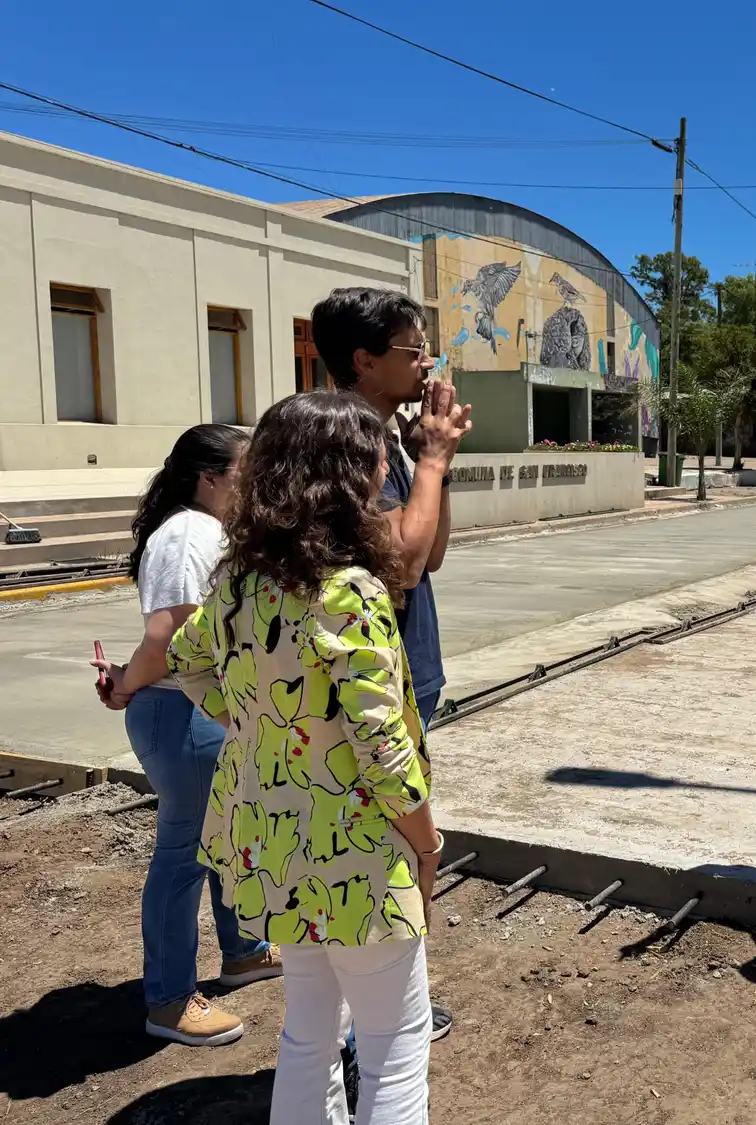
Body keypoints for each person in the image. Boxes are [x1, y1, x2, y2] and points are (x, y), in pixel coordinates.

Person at [168, 391, 443, 1124]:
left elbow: (185, 659)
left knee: (307, 1035)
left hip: (274, 850)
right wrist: (426, 846)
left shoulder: (240, 584)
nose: (384, 470)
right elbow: (383, 751)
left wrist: (256, 719)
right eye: (377, 459)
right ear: (345, 478)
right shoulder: (349, 592)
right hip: (358, 857)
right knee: (394, 1046)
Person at [312, 288, 469, 1064]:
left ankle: (364, 1015)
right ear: (364, 360)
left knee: (382, 846)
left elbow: (429, 551)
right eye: (414, 351)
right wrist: (431, 458)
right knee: (390, 846)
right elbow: (400, 566)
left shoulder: (385, 440)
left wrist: (437, 463)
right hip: (372, 680)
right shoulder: (346, 445)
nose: (427, 365)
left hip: (406, 667)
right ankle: (369, 1027)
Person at [92, 423, 280, 1046]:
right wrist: (125, 685)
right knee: (185, 853)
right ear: (209, 478)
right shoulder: (185, 536)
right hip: (181, 711)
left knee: (225, 835)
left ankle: (243, 952)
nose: (257, 483)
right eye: (246, 472)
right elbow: (168, 638)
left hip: (200, 708)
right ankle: (170, 999)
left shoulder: (211, 530)